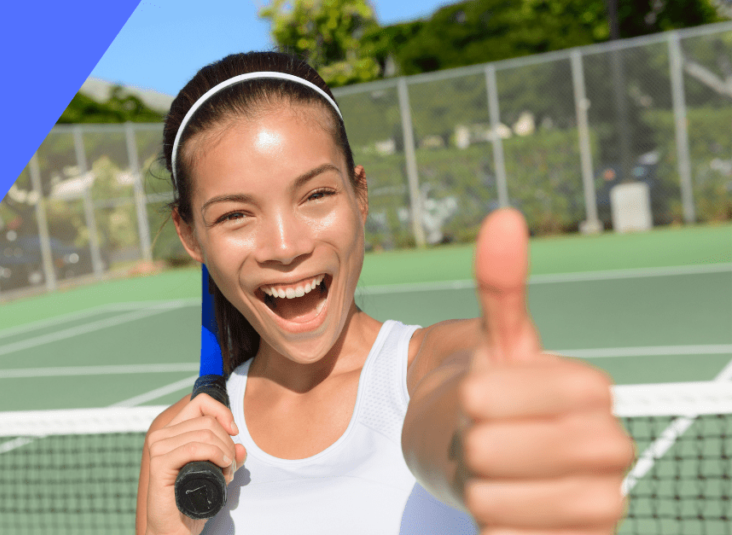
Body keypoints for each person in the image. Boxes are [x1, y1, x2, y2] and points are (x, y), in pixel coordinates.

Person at [136, 52, 632, 535]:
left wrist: (495, 447)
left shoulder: (428, 365)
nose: (285, 248)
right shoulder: (179, 453)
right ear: (191, 236)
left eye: (316, 195)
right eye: (235, 215)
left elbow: (454, 405)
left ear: (360, 196)